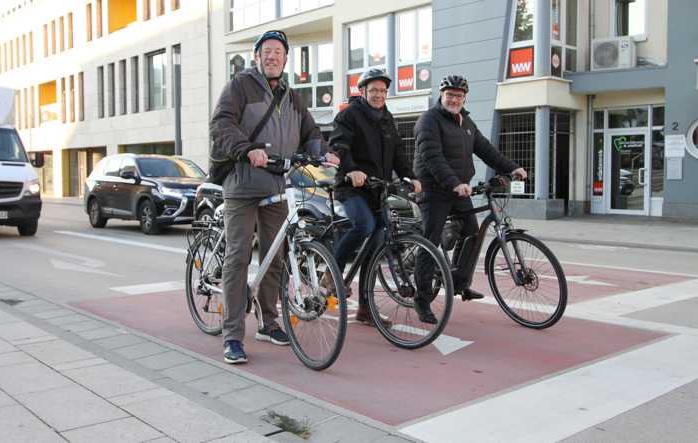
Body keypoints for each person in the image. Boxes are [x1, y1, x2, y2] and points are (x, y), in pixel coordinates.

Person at [209, 30, 339, 364]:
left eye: (278, 52)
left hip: (276, 186)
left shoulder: (292, 97)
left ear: (285, 59)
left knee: (276, 257)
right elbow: (221, 124)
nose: (272, 56)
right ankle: (233, 335)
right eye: (266, 51)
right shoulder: (239, 86)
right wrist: (246, 149)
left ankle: (268, 322)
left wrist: (323, 153)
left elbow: (310, 133)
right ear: (256, 56)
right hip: (241, 184)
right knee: (239, 256)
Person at [412, 75, 527, 324]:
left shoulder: (467, 122)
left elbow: (486, 150)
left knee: (472, 235)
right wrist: (454, 182)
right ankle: (421, 300)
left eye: (458, 95)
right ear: (441, 96)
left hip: (458, 189)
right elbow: (432, 158)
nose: (454, 99)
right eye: (449, 94)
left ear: (465, 98)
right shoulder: (428, 121)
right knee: (429, 242)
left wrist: (512, 167)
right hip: (434, 190)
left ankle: (459, 284)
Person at [328, 67, 421, 327]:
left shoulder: (387, 118)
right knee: (365, 225)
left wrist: (410, 176)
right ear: (363, 91)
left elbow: (399, 153)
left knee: (377, 244)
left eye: (382, 90)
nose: (379, 94)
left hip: (378, 189)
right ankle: (331, 274)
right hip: (352, 186)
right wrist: (352, 170)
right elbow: (339, 146)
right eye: (374, 90)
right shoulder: (349, 116)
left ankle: (366, 310)